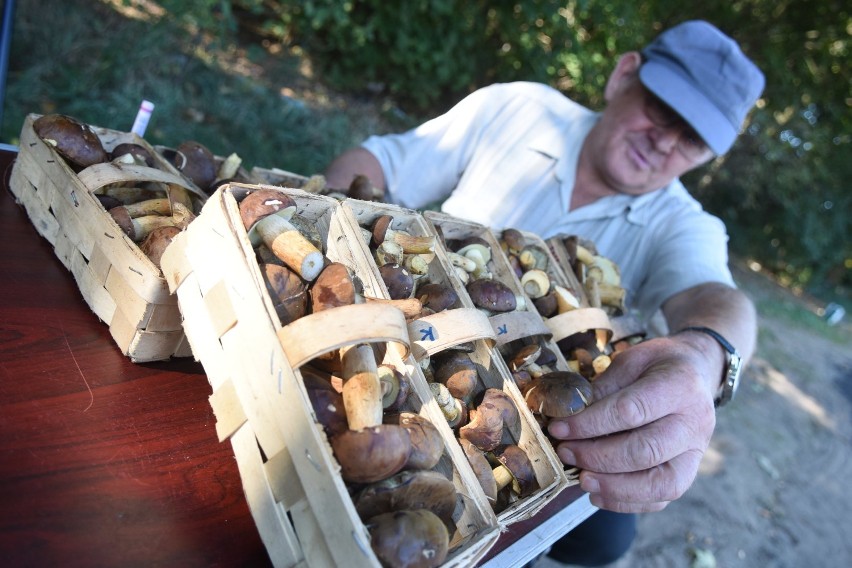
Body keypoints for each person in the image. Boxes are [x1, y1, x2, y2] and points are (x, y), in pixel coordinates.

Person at [324, 20, 764, 566]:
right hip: (398, 341)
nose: (667, 140)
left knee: (602, 539)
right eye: (663, 111)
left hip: (533, 407)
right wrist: (333, 229)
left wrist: (701, 357)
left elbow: (718, 298)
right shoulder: (522, 110)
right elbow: (380, 163)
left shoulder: (683, 225)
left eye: (693, 138)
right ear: (624, 75)